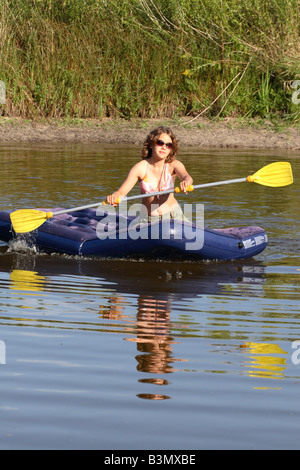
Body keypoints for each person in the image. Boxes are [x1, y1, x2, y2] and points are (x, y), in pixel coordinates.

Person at [106, 126, 193, 222]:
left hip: (173, 217)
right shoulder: (140, 168)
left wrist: (186, 182)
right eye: (160, 143)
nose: (164, 147)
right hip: (148, 220)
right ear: (151, 144)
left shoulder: (174, 165)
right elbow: (121, 193)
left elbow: (186, 177)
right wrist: (114, 196)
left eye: (168, 145)